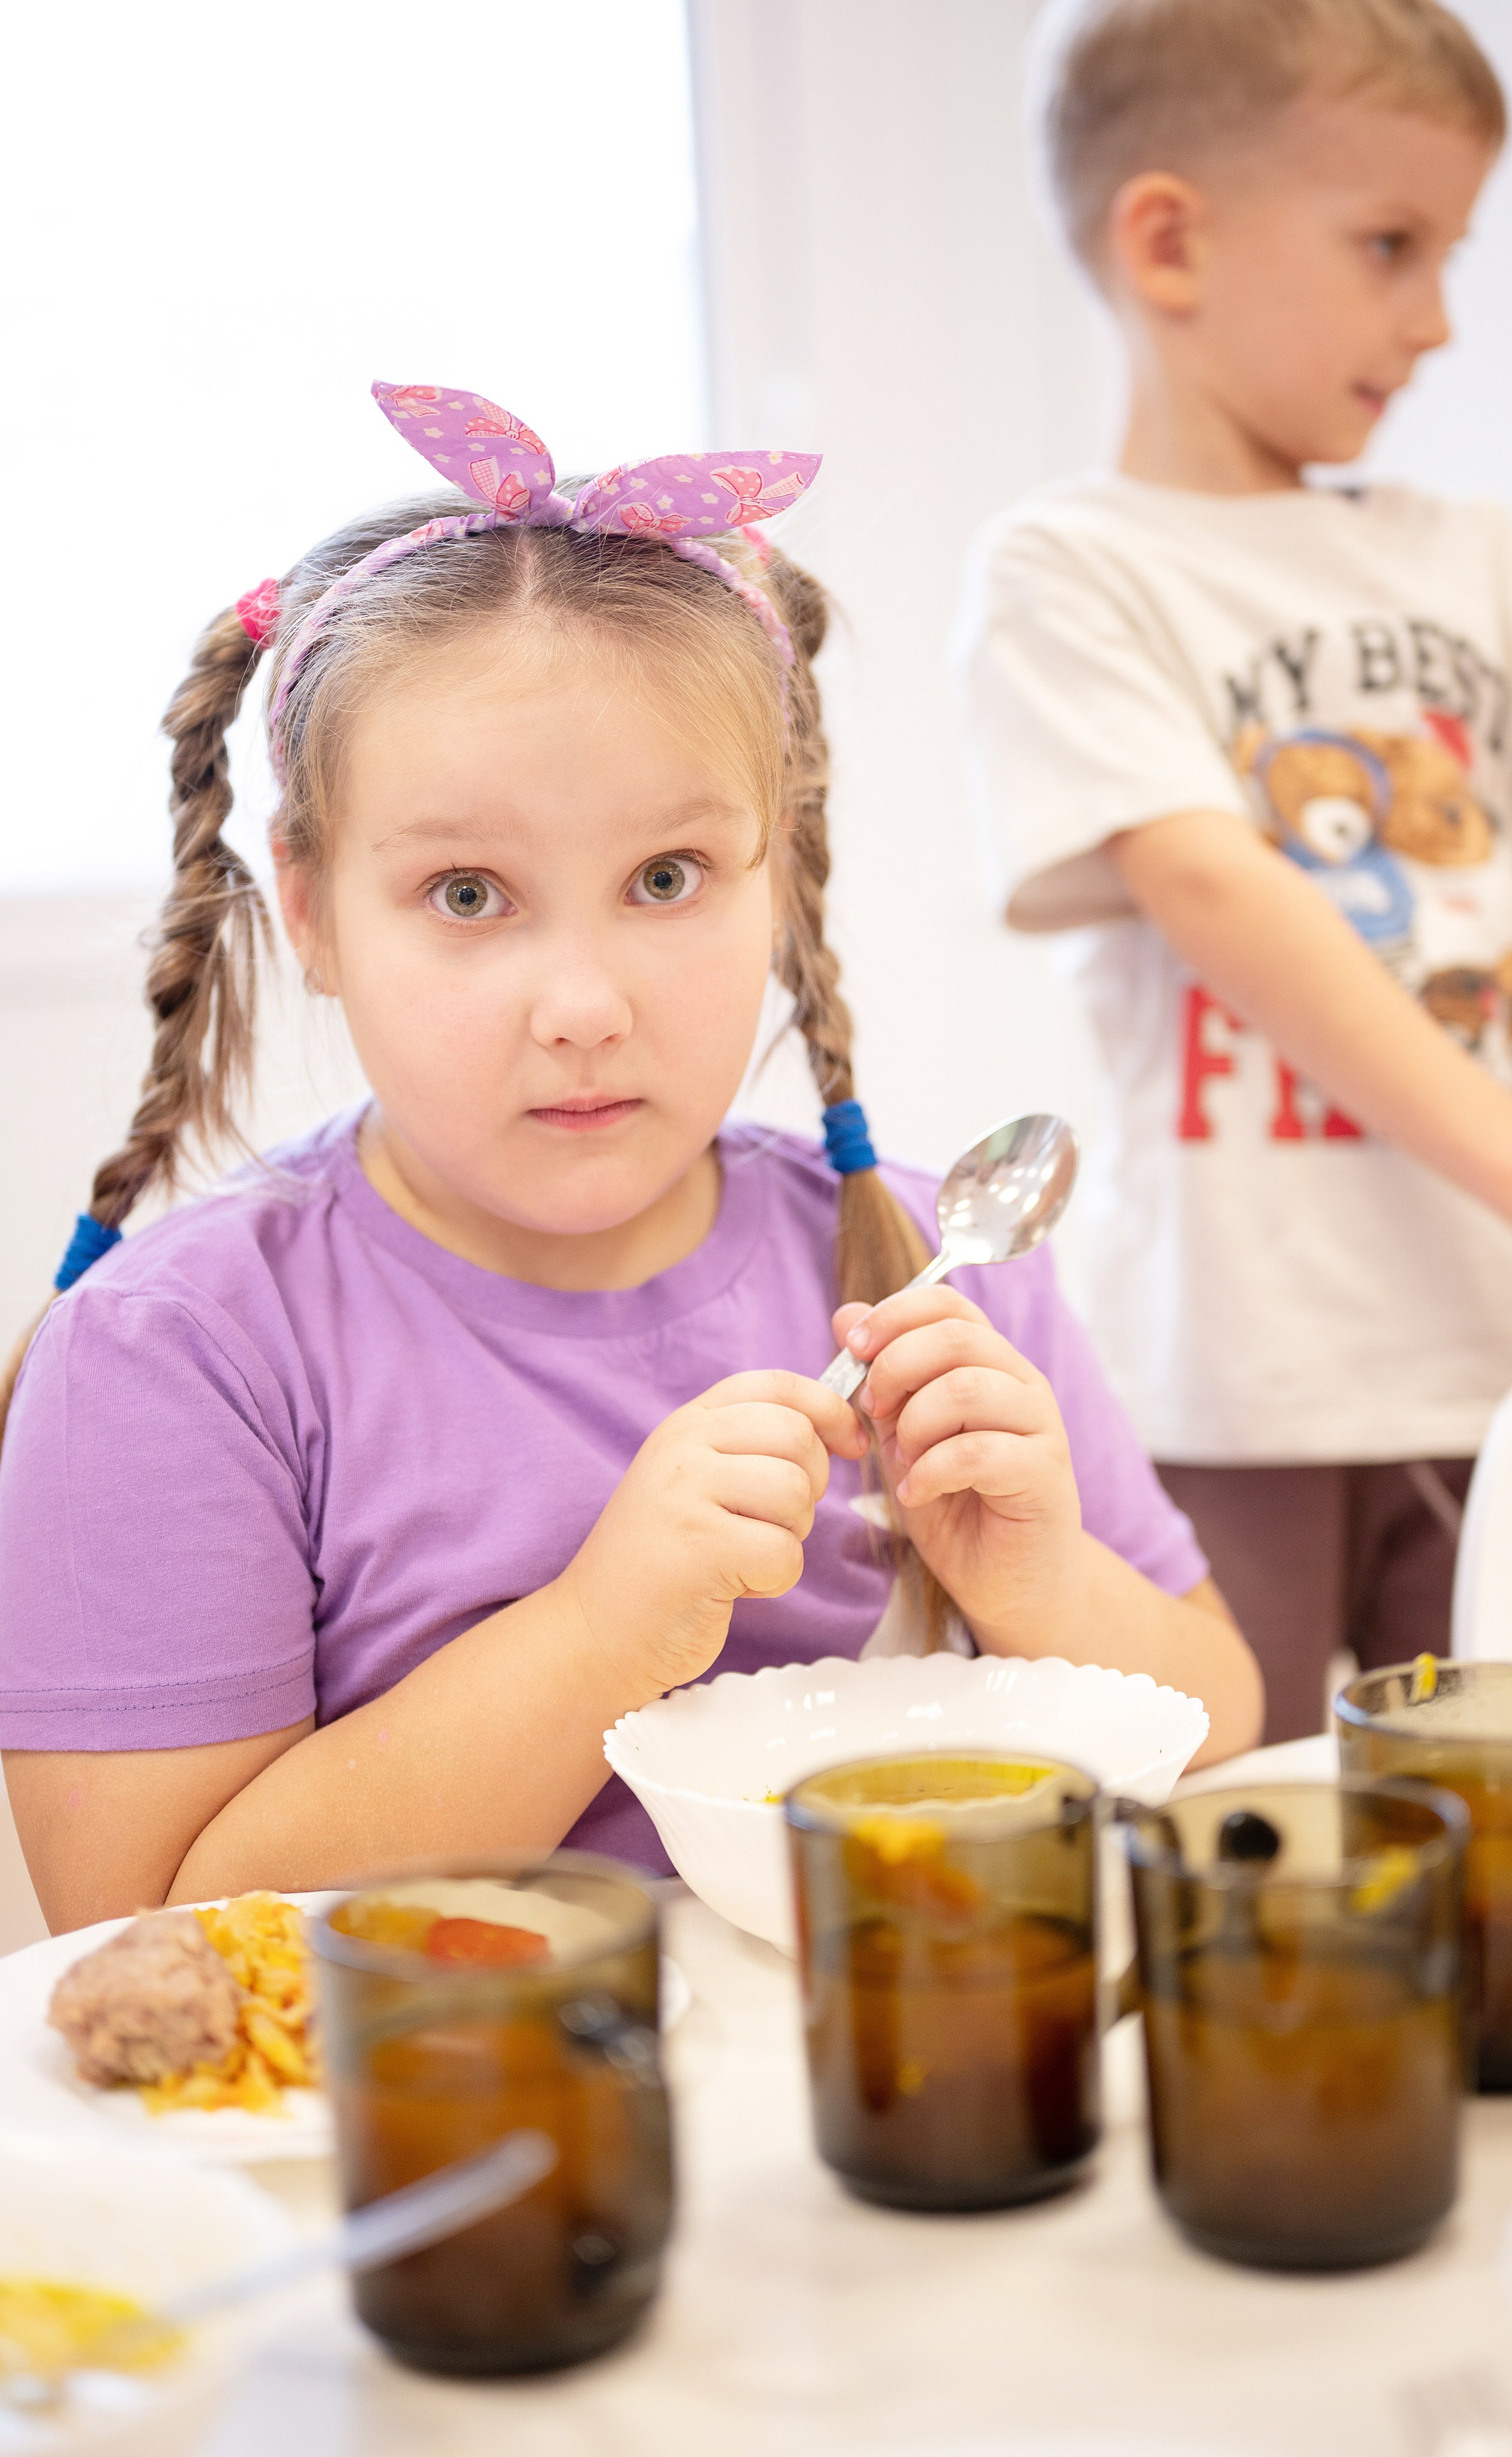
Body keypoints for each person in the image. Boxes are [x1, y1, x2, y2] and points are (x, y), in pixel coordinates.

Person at [0, 381, 1261, 1931]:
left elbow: (1225, 1722)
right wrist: (596, 1634)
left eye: (666, 876)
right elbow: (130, 1931)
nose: (584, 1009)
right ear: (314, 910)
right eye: (468, 895)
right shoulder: (174, 1352)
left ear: (779, 876)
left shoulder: (934, 1266)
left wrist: (1041, 1582)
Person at [953, 0, 1512, 1744]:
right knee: (1218, 1790)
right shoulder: (1072, 571)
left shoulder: (1468, 554)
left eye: (1453, 253)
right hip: (1244, 1361)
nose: (1437, 319)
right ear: (1169, 238)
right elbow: (1221, 895)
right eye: (1392, 247)